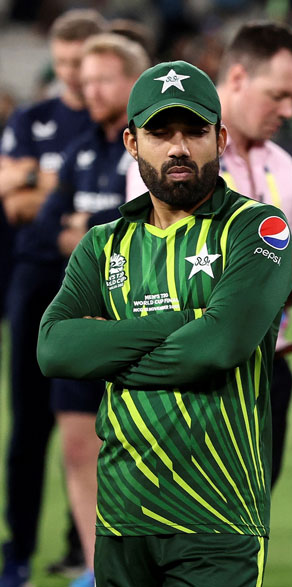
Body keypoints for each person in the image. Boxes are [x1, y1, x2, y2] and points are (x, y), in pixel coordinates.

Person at [37, 59, 291, 586]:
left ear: (220, 137)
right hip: (121, 515)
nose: (178, 147)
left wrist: (108, 355)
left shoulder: (257, 228)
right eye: (160, 132)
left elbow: (218, 347)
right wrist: (188, 320)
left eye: (194, 131)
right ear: (132, 142)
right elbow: (56, 349)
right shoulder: (102, 243)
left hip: (217, 519)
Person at [127, 21, 292, 489]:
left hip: (269, 370)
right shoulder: (169, 158)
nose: (288, 110)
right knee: (184, 532)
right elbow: (159, 282)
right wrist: (283, 273)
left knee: (250, 534)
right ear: (239, 78)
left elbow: (274, 299)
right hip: (192, 375)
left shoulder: (283, 166)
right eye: (277, 95)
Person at [34, 32, 149, 587]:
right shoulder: (81, 150)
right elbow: (43, 231)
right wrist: (85, 232)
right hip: (83, 322)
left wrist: (84, 230)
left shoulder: (149, 150)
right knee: (78, 447)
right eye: (84, 77)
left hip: (135, 326)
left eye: (103, 77)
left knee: (134, 451)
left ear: (134, 83)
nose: (88, 86)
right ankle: (93, 565)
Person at [0, 10, 106, 586]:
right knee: (29, 422)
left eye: (81, 63)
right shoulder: (34, 118)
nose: (72, 75)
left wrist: (34, 183)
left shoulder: (111, 126)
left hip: (95, 286)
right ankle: (17, 547)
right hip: (37, 278)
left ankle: (79, 549)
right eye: (63, 63)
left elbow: (31, 197)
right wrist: (50, 200)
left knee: (89, 420)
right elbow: (11, 205)